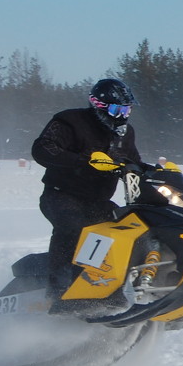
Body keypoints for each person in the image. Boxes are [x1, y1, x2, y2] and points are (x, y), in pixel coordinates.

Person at [31, 77, 142, 301]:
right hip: (62, 195)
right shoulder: (70, 121)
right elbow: (43, 148)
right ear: (98, 106)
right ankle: (59, 292)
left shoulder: (126, 134)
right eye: (116, 109)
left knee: (126, 230)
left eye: (126, 109)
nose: (122, 115)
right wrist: (82, 161)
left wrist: (154, 172)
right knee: (74, 229)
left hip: (98, 200)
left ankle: (114, 285)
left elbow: (134, 162)